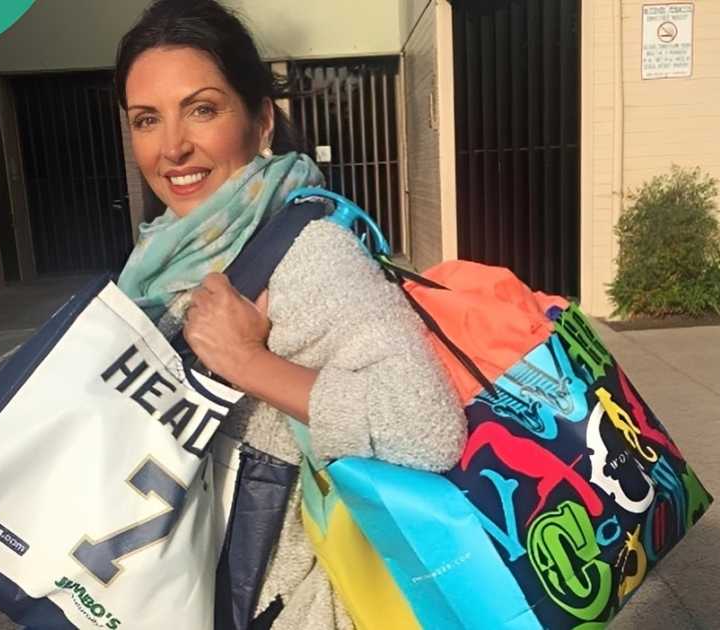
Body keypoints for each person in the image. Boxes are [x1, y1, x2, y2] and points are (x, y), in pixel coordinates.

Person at [113, 1, 467, 628]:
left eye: (202, 109)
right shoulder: (166, 257)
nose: (172, 146)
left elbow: (426, 426)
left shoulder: (304, 251)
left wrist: (248, 361)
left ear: (261, 122)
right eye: (147, 119)